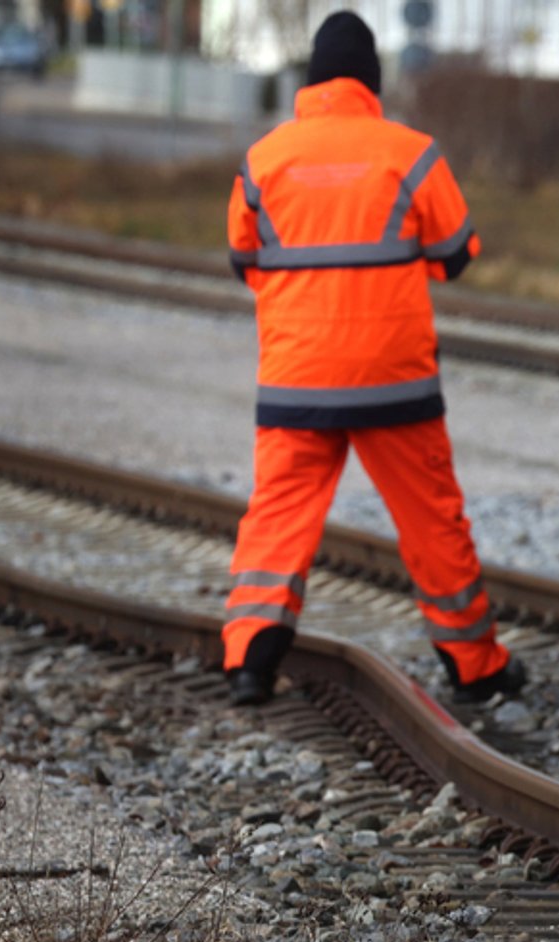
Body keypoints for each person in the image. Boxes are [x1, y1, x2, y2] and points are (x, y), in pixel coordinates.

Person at [221, 11, 525, 707]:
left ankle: (250, 661)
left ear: (310, 79)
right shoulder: (411, 154)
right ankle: (475, 666)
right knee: (433, 521)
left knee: (275, 516)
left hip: (295, 379)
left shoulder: (263, 160)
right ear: (371, 82)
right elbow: (457, 256)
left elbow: (245, 261)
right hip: (396, 381)